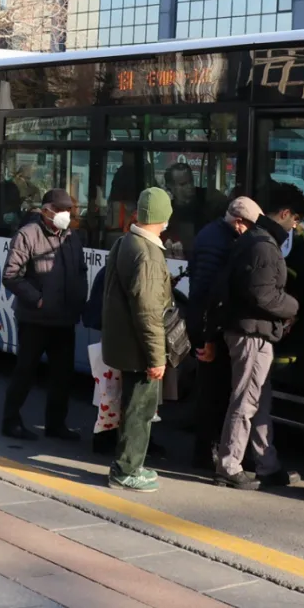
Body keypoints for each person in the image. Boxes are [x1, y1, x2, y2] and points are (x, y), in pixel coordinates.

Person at [213, 185, 304, 490]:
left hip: (253, 330)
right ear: (284, 214)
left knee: (259, 400)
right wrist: (293, 306)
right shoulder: (265, 246)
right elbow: (264, 295)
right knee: (246, 400)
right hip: (252, 333)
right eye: (294, 220)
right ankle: (229, 464)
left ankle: (267, 463)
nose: (295, 227)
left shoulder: (256, 240)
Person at [101, 187, 173, 492]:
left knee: (133, 406)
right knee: (140, 410)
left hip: (124, 342)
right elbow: (149, 313)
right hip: (139, 348)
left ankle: (129, 464)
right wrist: (157, 358)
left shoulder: (125, 242)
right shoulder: (148, 254)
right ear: (164, 217)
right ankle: (127, 470)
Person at [1, 189, 87, 441]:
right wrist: (37, 299)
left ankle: (56, 424)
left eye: (68, 211)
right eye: (60, 210)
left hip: (64, 319)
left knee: (63, 375)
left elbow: (80, 272)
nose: (64, 215)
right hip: (35, 319)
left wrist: (80, 301)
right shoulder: (27, 235)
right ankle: (10, 420)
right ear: (46, 210)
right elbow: (11, 275)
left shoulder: (72, 237)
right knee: (25, 372)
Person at [186, 196, 262, 470]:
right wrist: (208, 337)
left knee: (214, 390)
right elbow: (205, 292)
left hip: (211, 324)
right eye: (251, 226)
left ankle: (207, 452)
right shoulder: (217, 242)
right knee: (213, 392)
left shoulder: (214, 233)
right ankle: (206, 454)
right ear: (239, 222)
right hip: (210, 327)